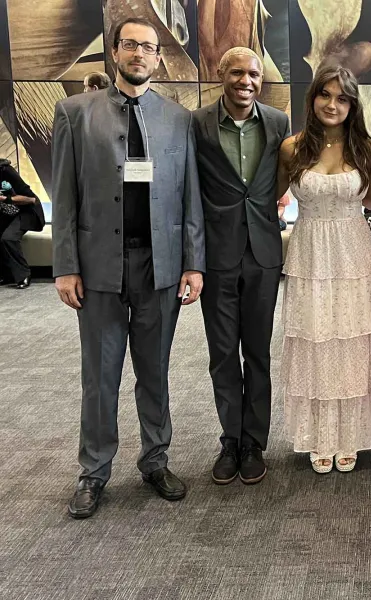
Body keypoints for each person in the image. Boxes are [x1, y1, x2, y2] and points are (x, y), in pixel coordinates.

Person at [52, 17, 204, 519]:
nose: (140, 53)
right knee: (100, 374)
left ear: (159, 57)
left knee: (154, 370)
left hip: (159, 267)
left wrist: (192, 264)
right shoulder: (75, 113)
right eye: (131, 44)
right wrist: (65, 266)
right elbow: (65, 198)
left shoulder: (179, 119)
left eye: (149, 47)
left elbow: (189, 201)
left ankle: (155, 460)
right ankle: (93, 472)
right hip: (97, 270)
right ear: (115, 51)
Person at [277, 65, 371, 474]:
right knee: (315, 340)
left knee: (353, 344)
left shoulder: (366, 150)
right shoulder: (292, 148)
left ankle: (350, 434)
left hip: (355, 255)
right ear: (312, 99)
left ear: (353, 105)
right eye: (325, 95)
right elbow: (267, 199)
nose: (333, 104)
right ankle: (320, 435)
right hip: (309, 255)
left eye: (342, 98)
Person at [192, 47, 291, 486]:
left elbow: (281, 180)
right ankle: (229, 439)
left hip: (264, 254)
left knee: (258, 352)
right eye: (236, 72)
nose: (245, 80)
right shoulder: (196, 124)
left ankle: (254, 442)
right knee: (222, 354)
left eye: (253, 73)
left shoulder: (277, 123)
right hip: (216, 256)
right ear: (221, 74)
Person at [0, 159, 44, 288]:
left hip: (26, 211)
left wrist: (5, 198)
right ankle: (7, 275)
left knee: (8, 238)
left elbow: (31, 199)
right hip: (6, 213)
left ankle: (23, 275)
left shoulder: (5, 171)